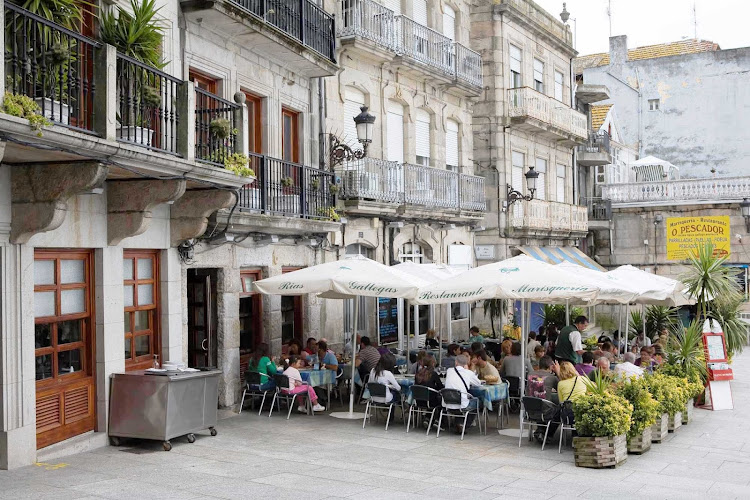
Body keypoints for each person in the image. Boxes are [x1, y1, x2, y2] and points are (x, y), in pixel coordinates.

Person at [444, 354, 482, 435]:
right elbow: (478, 383)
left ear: (456, 362)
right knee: (477, 402)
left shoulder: (449, 371)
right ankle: (464, 425)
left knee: (459, 401)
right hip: (461, 403)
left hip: (447, 403)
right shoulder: (468, 373)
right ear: (466, 363)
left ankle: (458, 423)